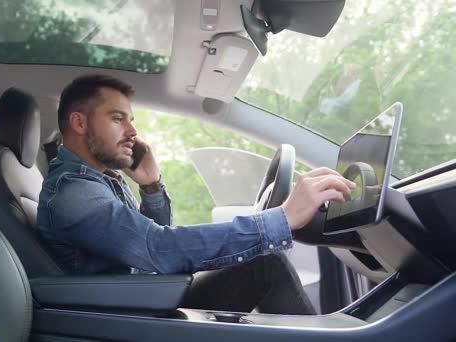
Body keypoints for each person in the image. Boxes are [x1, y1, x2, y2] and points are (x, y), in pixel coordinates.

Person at [37, 74, 355, 314]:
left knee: (262, 262)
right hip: (124, 318)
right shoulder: (74, 193)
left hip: (141, 301)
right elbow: (159, 248)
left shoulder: (99, 179)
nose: (133, 132)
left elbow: (143, 243)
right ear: (79, 122)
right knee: (264, 265)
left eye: (130, 121)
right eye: (118, 119)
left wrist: (151, 185)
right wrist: (283, 217)